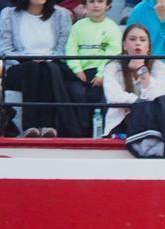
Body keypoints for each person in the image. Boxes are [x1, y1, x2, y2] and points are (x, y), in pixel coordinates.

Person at [0, 0, 79, 137]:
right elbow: (5, 50)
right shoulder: (8, 14)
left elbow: (63, 49)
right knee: (32, 68)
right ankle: (30, 128)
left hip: (52, 65)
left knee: (46, 68)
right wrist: (29, 58)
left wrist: (45, 59)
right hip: (18, 66)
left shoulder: (61, 15)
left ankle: (49, 127)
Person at [100, 23, 165, 136]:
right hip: (120, 122)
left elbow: (157, 97)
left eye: (142, 40)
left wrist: (142, 70)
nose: (138, 43)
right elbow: (114, 96)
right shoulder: (112, 66)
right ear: (124, 45)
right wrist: (139, 103)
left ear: (148, 47)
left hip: (150, 123)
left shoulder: (159, 66)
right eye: (132, 39)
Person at [65, 0, 121, 135]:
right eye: (91, 1)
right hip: (79, 73)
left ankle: (100, 132)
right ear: (85, 5)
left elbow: (113, 53)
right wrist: (77, 69)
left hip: (103, 73)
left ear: (108, 5)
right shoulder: (77, 26)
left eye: (100, 1)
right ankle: (79, 132)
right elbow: (71, 49)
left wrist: (101, 74)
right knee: (75, 92)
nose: (96, 5)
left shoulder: (112, 28)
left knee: (101, 95)